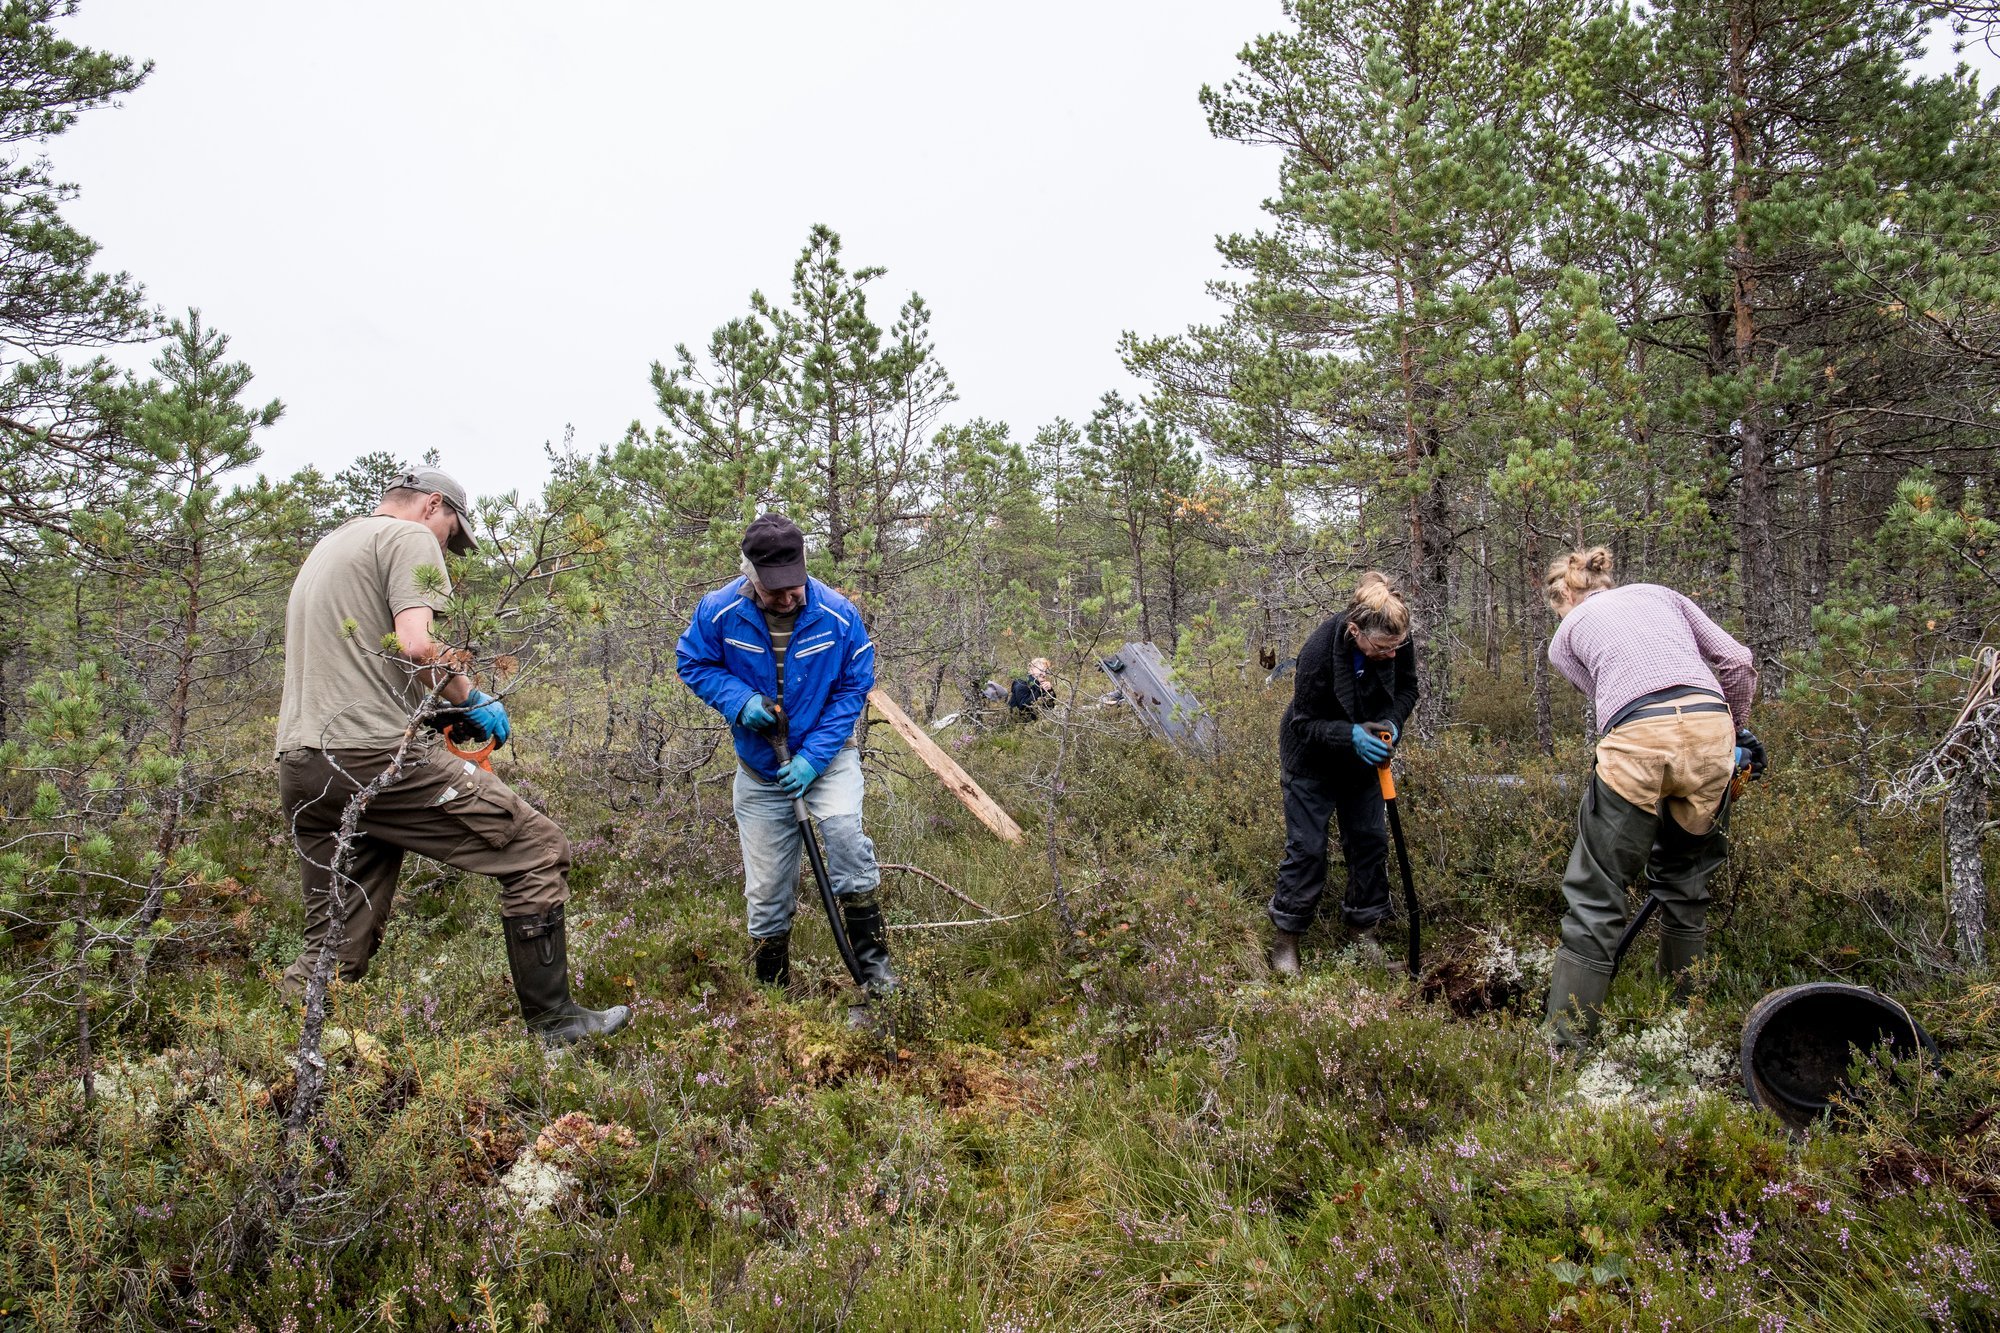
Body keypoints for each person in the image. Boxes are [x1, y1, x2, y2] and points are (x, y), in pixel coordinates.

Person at [275, 467, 630, 1047]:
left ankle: (278, 1054)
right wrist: (471, 696)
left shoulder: (330, 547)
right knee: (538, 850)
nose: (446, 548)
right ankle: (557, 1025)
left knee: (336, 933)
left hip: (304, 765)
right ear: (431, 505)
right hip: (373, 757)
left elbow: (359, 669)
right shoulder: (408, 536)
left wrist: (433, 715)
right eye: (451, 533)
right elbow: (417, 645)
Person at [1540, 546, 1767, 1044]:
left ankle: (1564, 1046)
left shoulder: (1566, 635)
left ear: (1564, 599)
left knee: (1597, 894)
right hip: (1711, 729)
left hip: (1637, 737)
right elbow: (1737, 661)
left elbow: (1608, 697)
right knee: (1687, 881)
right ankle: (1684, 1029)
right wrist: (1735, 732)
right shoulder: (1661, 595)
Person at [675, 513, 894, 998]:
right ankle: (774, 994)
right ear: (750, 574)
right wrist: (739, 701)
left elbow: (854, 687)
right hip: (761, 770)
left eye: (793, 585)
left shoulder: (838, 615)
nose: (787, 597)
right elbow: (692, 660)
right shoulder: (719, 611)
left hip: (828, 760)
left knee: (845, 842)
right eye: (774, 589)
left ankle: (876, 975)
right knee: (768, 890)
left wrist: (813, 758)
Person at [1268, 573, 1421, 975]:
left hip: (1365, 759)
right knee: (1308, 848)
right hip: (1310, 760)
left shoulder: (1396, 637)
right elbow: (1303, 722)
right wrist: (1349, 734)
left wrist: (1392, 723)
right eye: (1382, 648)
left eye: (1397, 646)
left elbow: (1408, 689)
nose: (1392, 654)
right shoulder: (1319, 649)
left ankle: (1362, 932)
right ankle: (1286, 941)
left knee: (1369, 841)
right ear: (1355, 631)